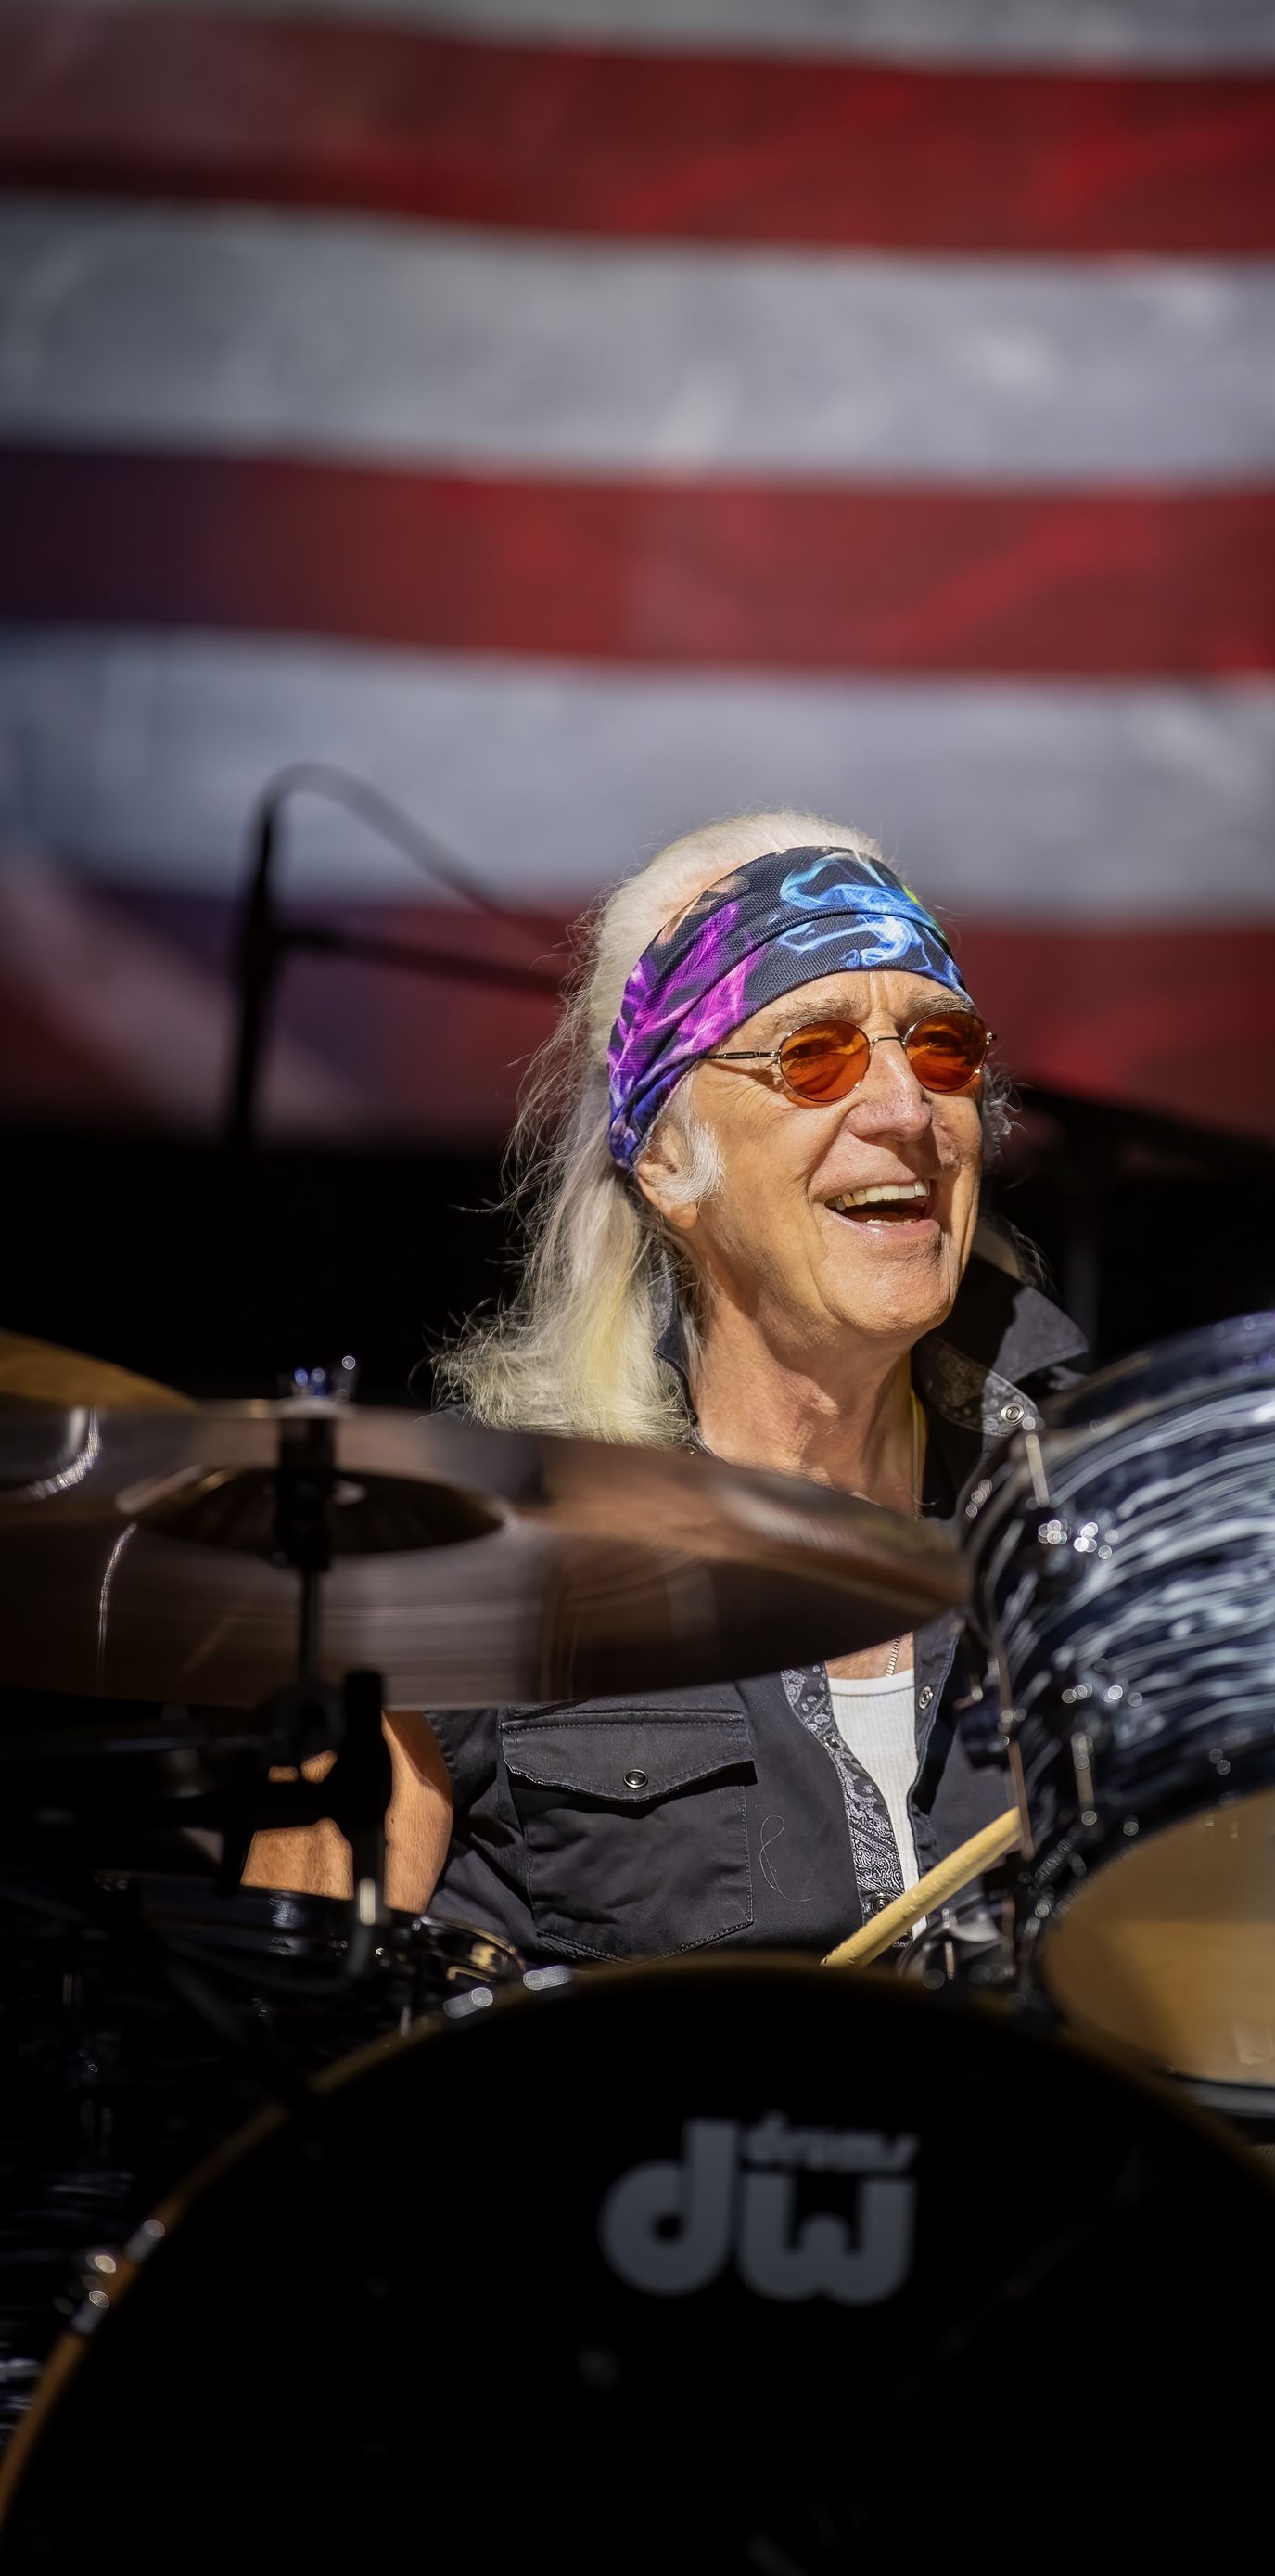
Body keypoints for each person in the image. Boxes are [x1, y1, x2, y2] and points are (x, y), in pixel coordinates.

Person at [247, 809, 1081, 1947]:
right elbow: (285, 2029)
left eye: (941, 1047)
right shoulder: (470, 1545)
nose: (905, 1111)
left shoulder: (1085, 1505)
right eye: (814, 1055)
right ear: (670, 1161)